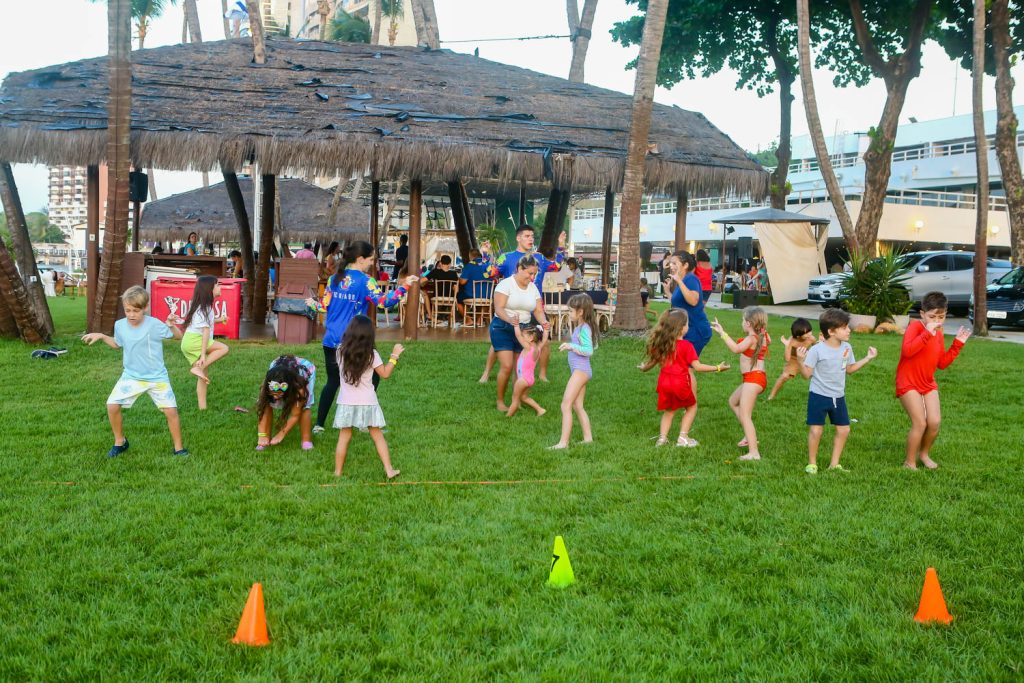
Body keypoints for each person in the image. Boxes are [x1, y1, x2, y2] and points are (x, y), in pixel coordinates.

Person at [307, 241, 417, 434]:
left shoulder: (334, 279)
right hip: (355, 341)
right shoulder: (366, 281)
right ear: (360, 259)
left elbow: (323, 306)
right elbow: (385, 302)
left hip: (331, 340)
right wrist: (405, 286)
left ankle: (319, 425)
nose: (373, 263)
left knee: (333, 382)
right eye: (371, 259)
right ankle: (365, 423)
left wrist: (311, 303)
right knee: (372, 377)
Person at [81, 286, 188, 457]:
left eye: (136, 311)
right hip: (131, 376)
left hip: (157, 377)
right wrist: (102, 336)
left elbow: (177, 336)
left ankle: (179, 448)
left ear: (145, 308)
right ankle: (120, 442)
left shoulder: (154, 324)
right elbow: (117, 344)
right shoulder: (120, 325)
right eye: (127, 310)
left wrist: (172, 326)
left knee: (171, 412)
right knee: (112, 405)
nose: (131, 314)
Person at [479, 225, 566, 383]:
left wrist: (561, 246)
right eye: (526, 236)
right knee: (497, 343)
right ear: (518, 238)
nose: (531, 239)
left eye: (532, 236)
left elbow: (557, 266)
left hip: (534, 308)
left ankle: (542, 375)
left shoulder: (538, 258)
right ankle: (486, 372)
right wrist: (485, 255)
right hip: (510, 310)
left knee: (544, 342)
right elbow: (489, 274)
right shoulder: (506, 257)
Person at [895, 291, 971, 470]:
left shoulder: (939, 331)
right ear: (922, 314)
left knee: (934, 422)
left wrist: (957, 343)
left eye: (941, 317)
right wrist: (926, 333)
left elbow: (941, 363)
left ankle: (924, 454)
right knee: (920, 422)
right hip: (908, 381)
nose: (937, 321)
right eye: (932, 317)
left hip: (927, 382)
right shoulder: (915, 327)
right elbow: (907, 351)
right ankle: (909, 462)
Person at [796, 308, 878, 474]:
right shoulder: (816, 350)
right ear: (831, 331)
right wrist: (799, 361)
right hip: (818, 396)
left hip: (838, 397)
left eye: (848, 326)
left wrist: (867, 358)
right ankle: (812, 463)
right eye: (844, 327)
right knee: (816, 430)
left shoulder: (847, 347)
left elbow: (850, 369)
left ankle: (834, 464)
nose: (849, 330)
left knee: (844, 429)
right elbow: (806, 375)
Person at [641, 309, 729, 447]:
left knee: (669, 411)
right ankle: (683, 438)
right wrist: (717, 367)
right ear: (681, 328)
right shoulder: (687, 346)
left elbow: (651, 363)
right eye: (687, 324)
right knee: (691, 407)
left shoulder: (663, 344)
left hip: (664, 382)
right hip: (680, 383)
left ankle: (662, 439)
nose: (688, 326)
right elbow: (698, 367)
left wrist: (643, 368)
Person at [333, 315, 402, 480]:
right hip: (368, 402)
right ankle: (389, 470)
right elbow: (385, 374)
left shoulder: (340, 351)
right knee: (377, 436)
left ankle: (337, 472)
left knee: (344, 437)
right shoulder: (372, 354)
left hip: (346, 402)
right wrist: (394, 356)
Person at [489, 254, 550, 411]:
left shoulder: (533, 287)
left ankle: (516, 400)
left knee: (519, 368)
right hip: (502, 327)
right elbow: (499, 308)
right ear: (519, 268)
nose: (532, 277)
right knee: (507, 366)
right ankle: (500, 401)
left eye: (534, 274)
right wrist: (511, 321)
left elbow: (537, 310)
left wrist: (543, 322)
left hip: (524, 331)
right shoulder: (505, 285)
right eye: (530, 273)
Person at [711, 307, 771, 461]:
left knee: (745, 415)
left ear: (749, 324)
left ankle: (754, 453)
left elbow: (736, 349)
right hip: (754, 378)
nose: (742, 323)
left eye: (743, 321)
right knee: (733, 401)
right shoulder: (762, 336)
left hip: (753, 379)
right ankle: (748, 435)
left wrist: (722, 333)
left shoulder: (752, 339)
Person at [549, 294, 599, 449]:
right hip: (580, 371)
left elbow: (589, 350)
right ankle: (588, 439)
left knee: (566, 405)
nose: (569, 314)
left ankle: (563, 443)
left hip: (580, 371)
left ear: (581, 312)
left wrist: (571, 346)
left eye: (571, 311)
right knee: (578, 406)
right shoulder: (581, 327)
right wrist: (571, 345)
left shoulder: (584, 328)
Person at [176, 275, 230, 410]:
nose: (220, 287)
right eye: (217, 284)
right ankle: (198, 368)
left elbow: (206, 323)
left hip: (188, 342)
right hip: (195, 341)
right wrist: (203, 355)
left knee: (203, 377)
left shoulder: (203, 307)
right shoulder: (204, 309)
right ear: (209, 289)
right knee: (224, 348)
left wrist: (220, 319)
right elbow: (205, 332)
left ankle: (202, 408)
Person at [255, 355, 316, 451]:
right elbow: (262, 409)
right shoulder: (266, 386)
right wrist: (261, 435)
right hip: (279, 365)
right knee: (266, 404)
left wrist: (281, 434)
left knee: (303, 408)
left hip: (305, 369)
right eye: (273, 393)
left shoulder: (299, 387)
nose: (275, 397)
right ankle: (266, 438)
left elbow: (295, 415)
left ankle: (306, 440)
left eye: (279, 394)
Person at [666, 251, 713, 355]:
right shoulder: (682, 280)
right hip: (685, 330)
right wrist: (667, 292)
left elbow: (693, 301)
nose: (671, 266)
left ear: (685, 265)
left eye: (674, 263)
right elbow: (678, 303)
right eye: (670, 263)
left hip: (696, 330)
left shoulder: (691, 279)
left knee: (686, 367)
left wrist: (679, 281)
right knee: (681, 366)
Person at [768, 317, 816, 401]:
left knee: (818, 375)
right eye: (806, 333)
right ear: (798, 336)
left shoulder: (811, 338)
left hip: (806, 358)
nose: (809, 334)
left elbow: (816, 349)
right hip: (794, 359)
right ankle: (771, 397)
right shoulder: (792, 341)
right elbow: (787, 359)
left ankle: (819, 395)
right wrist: (787, 345)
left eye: (810, 331)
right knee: (784, 376)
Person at [507, 324, 548, 418]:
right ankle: (540, 410)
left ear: (531, 338)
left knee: (515, 398)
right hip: (529, 379)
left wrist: (516, 325)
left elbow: (517, 335)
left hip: (523, 379)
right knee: (524, 397)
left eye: (524, 335)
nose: (522, 336)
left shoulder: (528, 347)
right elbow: (544, 339)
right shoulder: (538, 348)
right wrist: (546, 330)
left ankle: (508, 416)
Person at [457, 247, 491, 327]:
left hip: (472, 295)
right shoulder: (488, 265)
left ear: (471, 256)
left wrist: (459, 278)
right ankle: (479, 320)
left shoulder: (470, 265)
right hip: (487, 296)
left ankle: (468, 319)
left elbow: (462, 282)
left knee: (457, 299)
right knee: (484, 300)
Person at [421, 254, 460, 323]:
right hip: (450, 298)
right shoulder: (454, 273)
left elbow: (423, 280)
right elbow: (456, 289)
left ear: (441, 263)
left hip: (437, 297)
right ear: (450, 264)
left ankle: (431, 315)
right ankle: (450, 318)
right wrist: (454, 297)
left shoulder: (435, 271)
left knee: (427, 295)